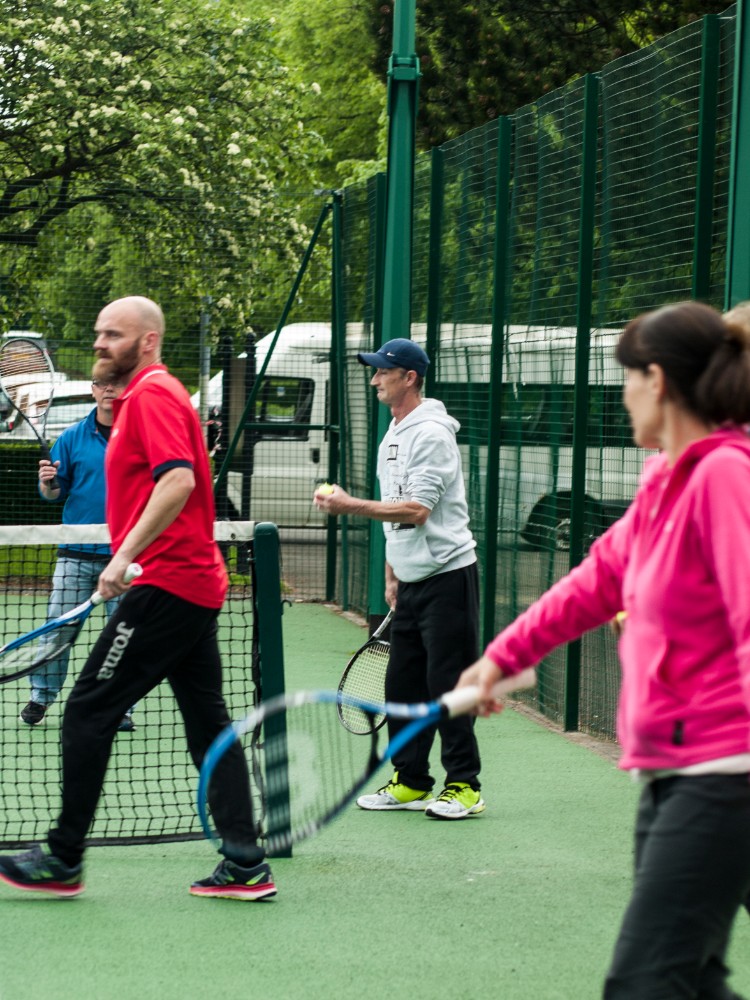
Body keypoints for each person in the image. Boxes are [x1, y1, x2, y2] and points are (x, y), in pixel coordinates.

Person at [457, 301, 750, 998]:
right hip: (677, 768)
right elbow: (594, 582)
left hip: (726, 769)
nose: (620, 398)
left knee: (648, 984)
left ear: (656, 380)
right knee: (692, 982)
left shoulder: (724, 476)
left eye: (624, 380)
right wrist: (498, 660)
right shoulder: (664, 484)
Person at [0, 296, 273, 901]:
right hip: (189, 585)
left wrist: (125, 557)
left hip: (168, 585)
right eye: (98, 333)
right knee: (209, 726)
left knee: (89, 710)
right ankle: (246, 862)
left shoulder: (151, 394)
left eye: (112, 335)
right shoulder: (141, 399)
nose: (99, 343)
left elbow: (178, 479)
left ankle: (63, 857)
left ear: (147, 341)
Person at [313, 338, 483, 820]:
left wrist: (349, 505)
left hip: (449, 577)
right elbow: (397, 516)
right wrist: (393, 573)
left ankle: (464, 786)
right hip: (410, 583)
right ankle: (410, 780)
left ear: (409, 377)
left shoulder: (431, 434)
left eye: (383, 372)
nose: (374, 379)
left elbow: (417, 509)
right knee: (404, 687)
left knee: (447, 687)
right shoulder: (393, 433)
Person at [20, 375, 136, 733]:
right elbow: (53, 493)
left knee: (123, 635)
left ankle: (119, 706)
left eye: (116, 383)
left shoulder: (140, 436)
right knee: (59, 629)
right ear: (93, 390)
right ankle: (41, 696)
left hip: (124, 558)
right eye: (102, 383)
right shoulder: (70, 438)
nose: (108, 389)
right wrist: (47, 482)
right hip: (75, 554)